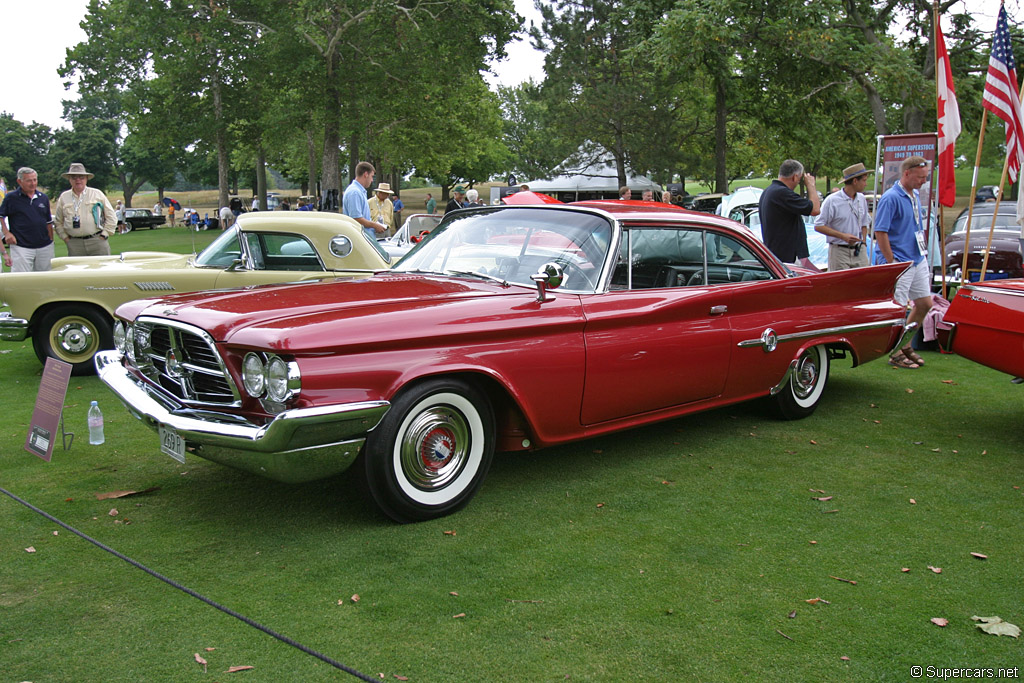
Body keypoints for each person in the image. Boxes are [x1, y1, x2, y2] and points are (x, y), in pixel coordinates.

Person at [873, 155, 933, 370]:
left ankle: (905, 343)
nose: (923, 181)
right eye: (920, 177)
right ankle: (896, 352)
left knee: (925, 304)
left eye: (925, 177)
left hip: (917, 257)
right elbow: (880, 231)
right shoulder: (891, 198)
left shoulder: (914, 194)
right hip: (900, 260)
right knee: (899, 307)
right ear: (906, 173)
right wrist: (891, 262)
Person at [759, 159, 821, 264]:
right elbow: (815, 210)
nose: (798, 182)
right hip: (787, 256)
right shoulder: (782, 193)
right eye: (800, 179)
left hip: (776, 253)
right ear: (795, 177)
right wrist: (811, 185)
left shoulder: (769, 191)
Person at [814, 163, 872, 271]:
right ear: (855, 181)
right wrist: (842, 236)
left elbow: (864, 223)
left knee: (863, 283)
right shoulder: (832, 200)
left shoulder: (862, 199)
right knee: (841, 285)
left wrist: (863, 242)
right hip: (839, 251)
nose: (866, 184)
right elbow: (818, 225)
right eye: (864, 180)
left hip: (859, 250)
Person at [53, 163, 117, 256]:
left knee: (102, 269)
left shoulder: (97, 194)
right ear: (69, 179)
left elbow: (111, 217)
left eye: (81, 177)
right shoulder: (64, 197)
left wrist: (105, 234)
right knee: (77, 270)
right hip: (75, 244)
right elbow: (58, 222)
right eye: (74, 177)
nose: (78, 180)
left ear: (86, 179)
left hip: (97, 241)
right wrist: (66, 238)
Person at [0, 167, 54, 272]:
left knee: (45, 280)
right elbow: (1, 216)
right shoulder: (11, 198)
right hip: (21, 246)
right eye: (29, 180)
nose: (33, 183)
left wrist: (51, 241)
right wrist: (7, 233)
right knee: (21, 280)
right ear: (19, 181)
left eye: (35, 180)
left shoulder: (43, 197)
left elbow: (48, 222)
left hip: (44, 246)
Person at [343, 161, 387, 239]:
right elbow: (356, 219)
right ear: (366, 174)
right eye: (372, 176)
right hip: (359, 239)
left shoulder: (359, 191)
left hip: (364, 238)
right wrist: (375, 225)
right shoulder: (354, 192)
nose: (372, 180)